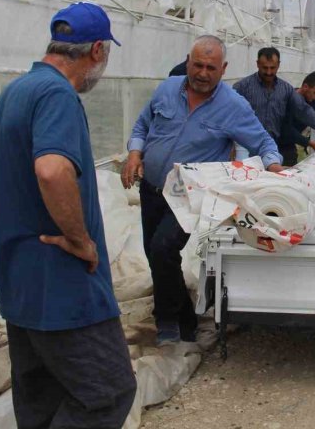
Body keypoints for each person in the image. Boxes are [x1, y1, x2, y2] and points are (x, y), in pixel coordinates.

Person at [0, 2, 136, 428]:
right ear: (97, 51)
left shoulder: (17, 90)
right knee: (107, 394)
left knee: (42, 402)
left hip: (21, 282)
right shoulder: (57, 95)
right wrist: (79, 240)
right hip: (63, 285)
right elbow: (52, 171)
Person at [121, 36, 284, 344]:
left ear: (223, 69)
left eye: (211, 67)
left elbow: (263, 143)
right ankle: (185, 317)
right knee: (155, 254)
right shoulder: (167, 89)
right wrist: (135, 153)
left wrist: (274, 166)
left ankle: (167, 321)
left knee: (163, 248)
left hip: (189, 196)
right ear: (187, 61)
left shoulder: (233, 107)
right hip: (152, 188)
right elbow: (142, 125)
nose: (203, 73)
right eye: (197, 65)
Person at [233, 47, 315, 163]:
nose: (269, 72)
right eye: (265, 68)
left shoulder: (286, 89)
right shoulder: (242, 87)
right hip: (247, 147)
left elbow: (302, 109)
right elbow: (229, 114)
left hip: (272, 147)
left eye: (272, 68)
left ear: (278, 65)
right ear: (257, 64)